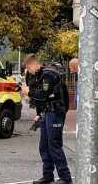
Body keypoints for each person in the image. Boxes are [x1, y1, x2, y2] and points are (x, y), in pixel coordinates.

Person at [22, 55, 72, 184]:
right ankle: (48, 175)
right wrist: (38, 113)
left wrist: (28, 92)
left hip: (55, 112)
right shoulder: (40, 77)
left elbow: (43, 94)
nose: (29, 71)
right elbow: (41, 98)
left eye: (29, 68)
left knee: (54, 144)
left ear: (35, 65)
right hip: (47, 113)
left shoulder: (48, 76)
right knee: (44, 146)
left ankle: (65, 178)